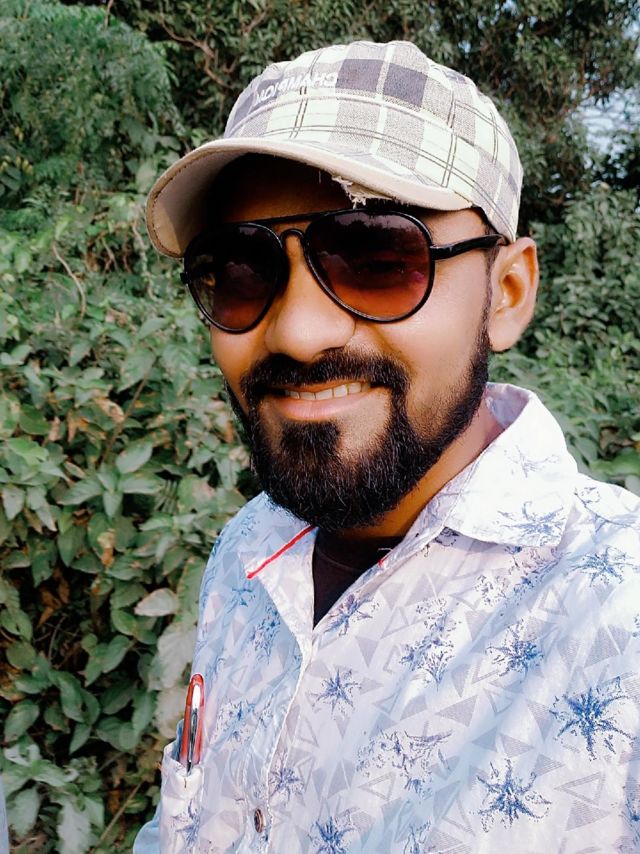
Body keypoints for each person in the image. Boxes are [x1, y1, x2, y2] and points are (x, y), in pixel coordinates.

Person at [135, 40, 640, 852]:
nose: (298, 332)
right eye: (240, 268)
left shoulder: (617, 622)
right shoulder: (250, 551)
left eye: (376, 256)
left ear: (507, 294)